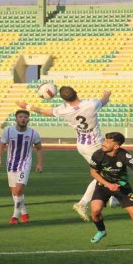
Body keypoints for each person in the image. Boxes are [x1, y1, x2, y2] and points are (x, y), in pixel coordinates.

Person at [17, 86, 116, 221]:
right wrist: (107, 93)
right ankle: (83, 203)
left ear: (64, 99)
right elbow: (104, 100)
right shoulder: (90, 105)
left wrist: (27, 106)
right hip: (95, 146)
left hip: (82, 145)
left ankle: (112, 197)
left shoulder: (63, 109)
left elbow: (45, 111)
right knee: (105, 174)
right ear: (76, 92)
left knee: (108, 170)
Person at [88, 132, 133, 248]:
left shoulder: (124, 155)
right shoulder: (98, 154)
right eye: (105, 140)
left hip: (122, 187)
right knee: (95, 211)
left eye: (108, 142)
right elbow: (93, 172)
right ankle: (101, 231)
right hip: (103, 185)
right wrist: (108, 184)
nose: (104, 143)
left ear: (116, 146)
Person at [0, 109, 43, 225]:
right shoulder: (8, 131)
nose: (23, 119)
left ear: (28, 120)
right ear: (16, 119)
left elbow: (39, 149)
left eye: (25, 117)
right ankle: (24, 213)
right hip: (11, 164)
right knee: (15, 192)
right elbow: (1, 145)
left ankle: (15, 217)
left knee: (18, 190)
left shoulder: (33, 133)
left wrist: (39, 163)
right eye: (20, 117)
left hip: (25, 164)